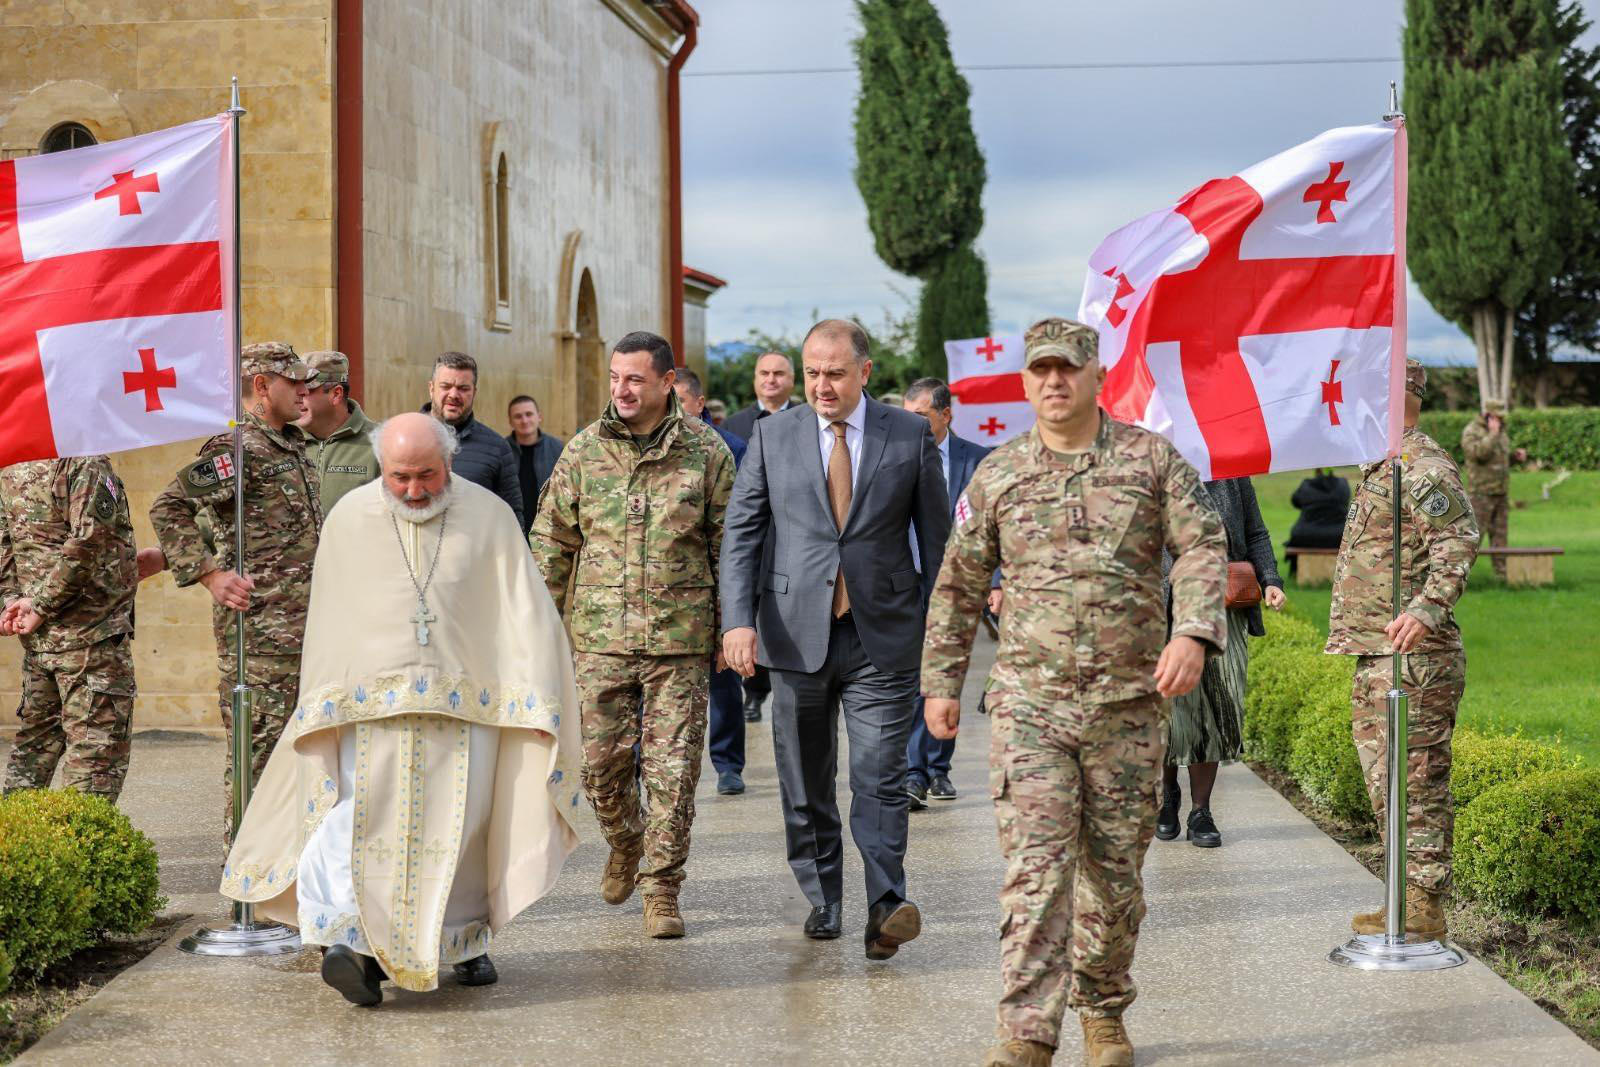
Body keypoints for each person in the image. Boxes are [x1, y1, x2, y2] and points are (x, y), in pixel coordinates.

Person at [921, 317, 1226, 1067]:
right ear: (1025, 382)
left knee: (1114, 875)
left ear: (1097, 376)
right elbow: (958, 584)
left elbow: (1202, 546)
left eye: (1067, 368)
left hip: (1127, 708)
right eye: (1040, 371)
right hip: (1031, 704)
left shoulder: (1152, 461)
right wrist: (939, 682)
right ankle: (1026, 1029)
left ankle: (1103, 1007)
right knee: (1036, 868)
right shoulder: (997, 473)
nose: (1053, 382)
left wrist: (1192, 630)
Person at [221, 413, 584, 1006]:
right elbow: (332, 619)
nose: (414, 490)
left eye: (427, 476)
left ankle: (466, 944)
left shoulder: (489, 515)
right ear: (380, 467)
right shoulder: (351, 519)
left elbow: (523, 611)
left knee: (465, 829)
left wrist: (538, 690)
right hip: (369, 712)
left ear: (450, 462)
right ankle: (353, 947)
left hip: (469, 708)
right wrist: (324, 699)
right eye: (400, 477)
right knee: (352, 824)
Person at [720, 318, 950, 959]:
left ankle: (885, 905)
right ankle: (823, 896)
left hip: (884, 634)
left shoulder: (907, 434)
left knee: (880, 774)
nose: (822, 385)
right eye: (813, 373)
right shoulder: (773, 435)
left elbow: (937, 541)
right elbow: (743, 533)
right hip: (794, 639)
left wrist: (946, 635)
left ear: (865, 373)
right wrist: (737, 621)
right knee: (805, 780)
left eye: (836, 373)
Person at [531, 331, 734, 939]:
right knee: (598, 769)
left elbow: (732, 547)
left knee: (673, 774)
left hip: (681, 640)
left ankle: (663, 890)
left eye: (635, 379)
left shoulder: (706, 452)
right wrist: (536, 627)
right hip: (598, 639)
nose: (622, 389)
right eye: (616, 377)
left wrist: (732, 629)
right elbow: (552, 542)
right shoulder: (584, 452)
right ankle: (624, 842)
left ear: (668, 382)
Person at [149, 342, 323, 845]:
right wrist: (209, 573)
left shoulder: (291, 446)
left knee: (300, 762)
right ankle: (244, 885)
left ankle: (285, 881)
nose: (305, 391)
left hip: (305, 636)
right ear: (263, 387)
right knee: (258, 761)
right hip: (261, 640)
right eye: (295, 383)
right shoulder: (236, 449)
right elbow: (168, 507)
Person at [1329, 360, 1478, 942]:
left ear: (1396, 395)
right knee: (1386, 783)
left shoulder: (1420, 466)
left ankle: (1423, 907)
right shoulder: (1382, 467)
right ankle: (1402, 898)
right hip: (1378, 650)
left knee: (1415, 783)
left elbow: (1458, 539)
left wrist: (1426, 608)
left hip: (1417, 656)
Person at [0, 457, 161, 801]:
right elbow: (86, 543)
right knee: (95, 755)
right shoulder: (83, 462)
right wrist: (40, 606)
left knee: (34, 749)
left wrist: (12, 601)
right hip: (91, 637)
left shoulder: (13, 465)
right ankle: (76, 850)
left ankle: (14, 844)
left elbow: (5, 546)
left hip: (41, 639)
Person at [1156, 478, 1287, 849]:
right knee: (1170, 709)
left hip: (1223, 604)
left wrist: (1270, 579)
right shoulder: (1150, 467)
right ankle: (1167, 797)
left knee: (1217, 706)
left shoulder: (1231, 473)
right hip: (1165, 604)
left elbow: (1256, 532)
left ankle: (1201, 811)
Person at [900, 377, 994, 810]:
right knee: (916, 677)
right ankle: (914, 771)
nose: (912, 424)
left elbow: (995, 531)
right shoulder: (897, 458)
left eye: (920, 416)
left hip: (958, 586)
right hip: (907, 583)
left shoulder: (978, 461)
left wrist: (995, 585)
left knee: (946, 674)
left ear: (945, 415)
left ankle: (938, 768)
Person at [673, 368, 750, 796]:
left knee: (723, 680)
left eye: (682, 401)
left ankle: (728, 764)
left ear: (700, 404)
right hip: (670, 590)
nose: (675, 410)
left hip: (716, 582)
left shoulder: (733, 449)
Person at [724, 351, 798, 724]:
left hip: (792, 540)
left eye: (779, 374)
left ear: (792, 380)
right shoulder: (736, 426)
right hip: (753, 538)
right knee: (748, 615)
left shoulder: (807, 420)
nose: (771, 380)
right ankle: (752, 692)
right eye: (764, 373)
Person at [422, 351, 523, 528]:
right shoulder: (400, 440)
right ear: (431, 388)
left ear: (474, 392)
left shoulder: (497, 448)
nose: (454, 394)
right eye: (446, 386)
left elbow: (512, 517)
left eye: (463, 388)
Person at [296, 351, 380, 516]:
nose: (298, 396)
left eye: (306, 390)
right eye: (294, 387)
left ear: (336, 394)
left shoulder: (380, 443)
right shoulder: (283, 440)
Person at [1460, 400, 1524, 581]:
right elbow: (1478, 454)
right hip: (1481, 494)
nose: (1501, 421)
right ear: (1488, 415)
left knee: (1501, 538)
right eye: (1498, 417)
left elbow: (1497, 461)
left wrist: (1514, 458)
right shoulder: (1472, 431)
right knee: (1473, 537)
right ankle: (1458, 576)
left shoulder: (1501, 432)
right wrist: (1493, 434)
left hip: (1500, 494)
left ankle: (1501, 576)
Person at [505, 394, 564, 537]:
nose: (524, 420)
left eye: (529, 414)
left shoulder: (557, 448)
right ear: (510, 422)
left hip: (548, 530)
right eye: (518, 416)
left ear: (539, 417)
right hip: (511, 529)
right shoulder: (502, 449)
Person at [1283, 468, 1350, 576]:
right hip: (1338, 535)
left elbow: (1295, 501)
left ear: (1316, 469)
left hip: (1306, 536)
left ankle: (1295, 573)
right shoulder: (1343, 484)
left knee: (1295, 535)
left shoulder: (1306, 485)